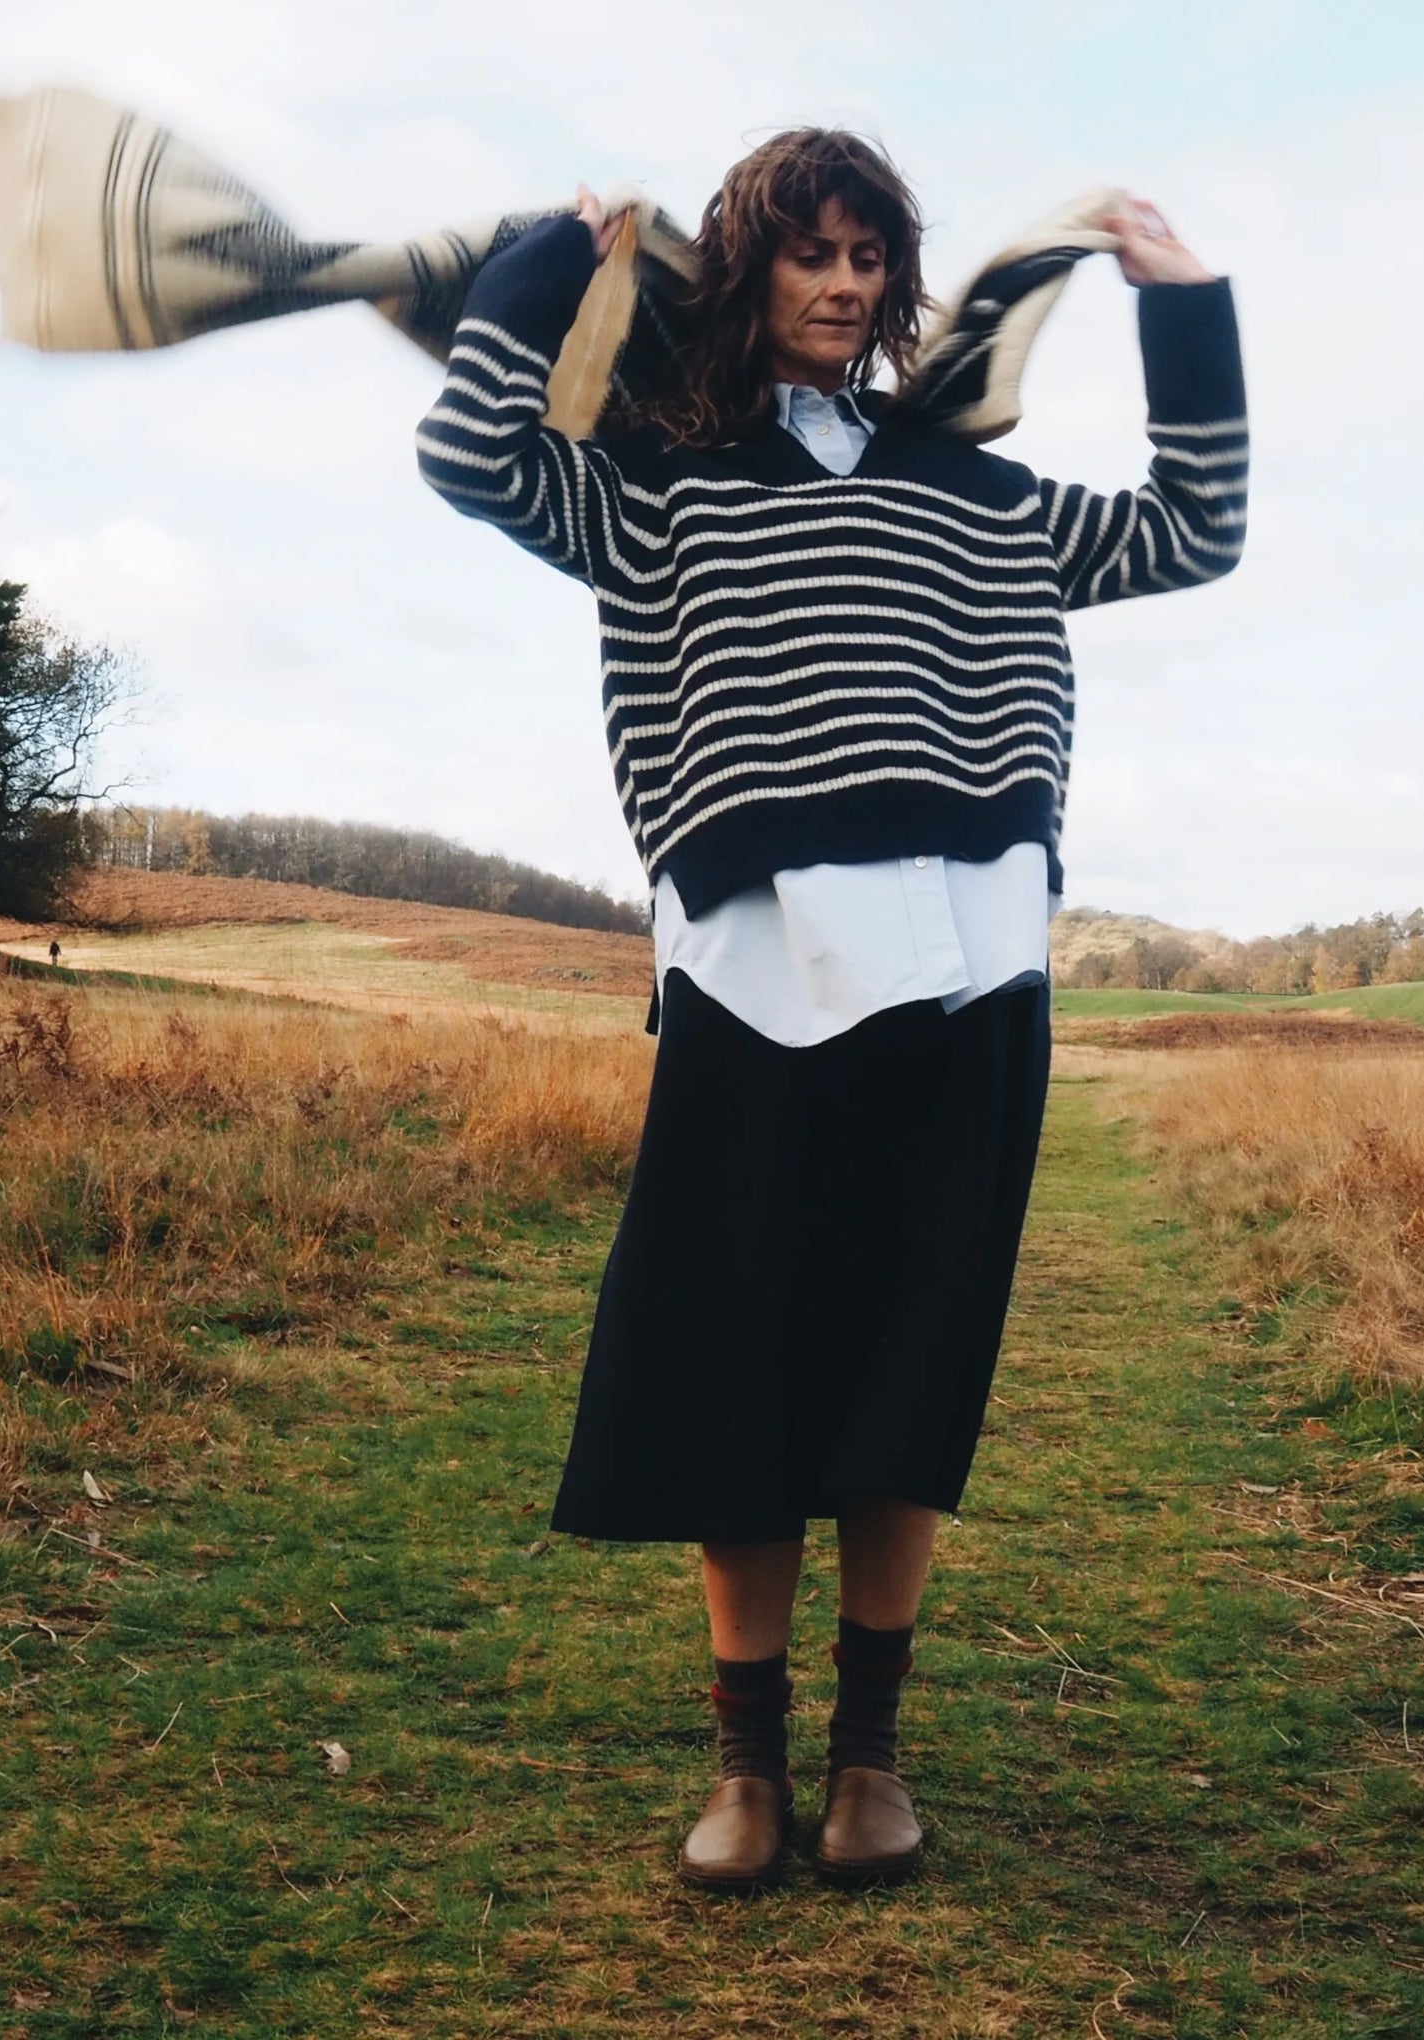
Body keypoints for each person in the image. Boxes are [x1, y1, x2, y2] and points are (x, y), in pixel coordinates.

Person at [416, 129, 1246, 1891]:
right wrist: (536, 264)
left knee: (902, 1365)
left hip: (972, 971)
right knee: (735, 1366)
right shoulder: (651, 478)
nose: (845, 284)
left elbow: (1195, 531)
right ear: (745, 269)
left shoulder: (979, 487)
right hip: (749, 973)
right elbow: (468, 456)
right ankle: (744, 1766)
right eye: (809, 252)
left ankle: (869, 1761)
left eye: (872, 254)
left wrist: (1186, 317)